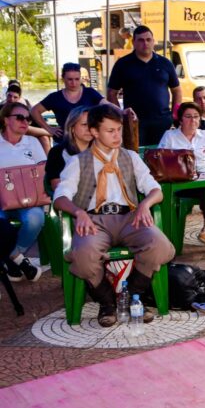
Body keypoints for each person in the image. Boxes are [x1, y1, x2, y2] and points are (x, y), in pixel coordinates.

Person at [53, 104, 175, 327]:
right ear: (94, 132)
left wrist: (145, 205)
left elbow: (154, 189)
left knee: (159, 245)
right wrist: (78, 212)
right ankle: (106, 301)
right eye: (110, 131)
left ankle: (131, 296)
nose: (117, 135)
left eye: (119, 129)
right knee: (83, 255)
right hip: (95, 220)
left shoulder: (130, 157)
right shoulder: (78, 161)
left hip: (130, 217)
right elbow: (60, 198)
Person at [158, 102, 205, 254]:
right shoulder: (170, 136)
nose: (193, 120)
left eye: (196, 117)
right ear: (180, 120)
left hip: (204, 179)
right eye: (188, 117)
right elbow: (160, 160)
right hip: (181, 183)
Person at [107, 25, 182, 146]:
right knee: (135, 157)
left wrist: (175, 114)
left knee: (160, 158)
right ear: (134, 42)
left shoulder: (165, 63)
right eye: (141, 40)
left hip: (162, 121)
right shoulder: (123, 64)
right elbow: (111, 93)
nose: (145, 43)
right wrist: (120, 115)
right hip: (134, 122)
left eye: (148, 40)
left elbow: (177, 90)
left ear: (153, 41)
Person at [0, 102, 47, 282]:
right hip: (1, 200)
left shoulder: (33, 142)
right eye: (19, 117)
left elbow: (43, 172)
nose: (25, 122)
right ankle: (19, 260)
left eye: (28, 118)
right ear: (5, 120)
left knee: (36, 218)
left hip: (28, 199)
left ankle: (10, 257)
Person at [31, 62, 107, 144]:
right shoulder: (55, 97)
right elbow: (35, 110)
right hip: (63, 141)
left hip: (88, 141)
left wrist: (121, 112)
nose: (74, 83)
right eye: (70, 79)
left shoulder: (90, 93)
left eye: (77, 79)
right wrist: (49, 128)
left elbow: (107, 105)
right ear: (63, 79)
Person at [45, 106, 93, 191]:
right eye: (84, 124)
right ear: (72, 127)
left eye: (92, 124)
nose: (89, 129)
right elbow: (57, 188)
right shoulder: (57, 152)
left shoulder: (101, 150)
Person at [2, 84, 52, 153]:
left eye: (15, 97)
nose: (11, 99)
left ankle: (49, 162)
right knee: (22, 127)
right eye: (9, 96)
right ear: (6, 95)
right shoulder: (1, 108)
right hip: (5, 132)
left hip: (23, 132)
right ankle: (52, 132)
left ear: (19, 98)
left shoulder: (23, 110)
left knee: (44, 137)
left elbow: (36, 125)